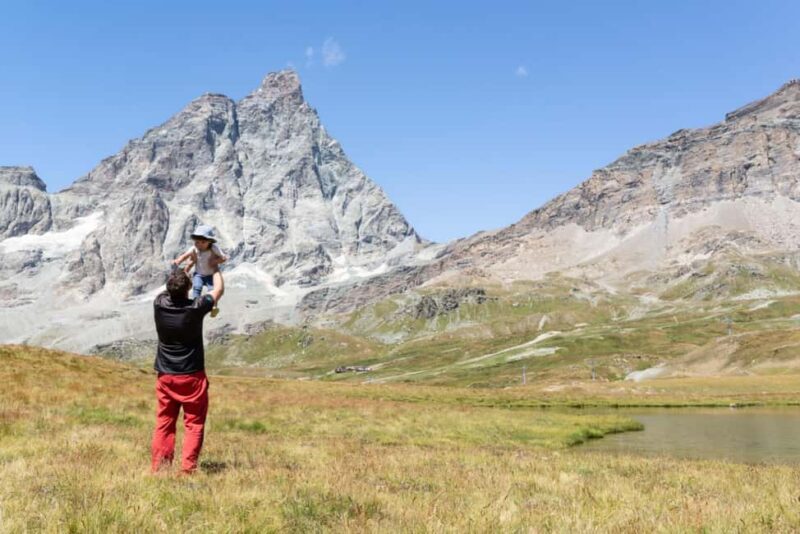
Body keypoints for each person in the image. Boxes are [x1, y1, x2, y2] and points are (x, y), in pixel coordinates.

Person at [150, 266, 224, 474]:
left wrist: (184, 266)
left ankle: (160, 469)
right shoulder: (196, 307)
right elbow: (218, 289)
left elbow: (173, 285)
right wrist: (213, 266)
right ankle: (187, 470)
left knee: (164, 422)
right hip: (192, 376)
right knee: (194, 423)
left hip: (166, 375)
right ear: (189, 288)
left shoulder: (159, 304)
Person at [173, 224, 227, 317]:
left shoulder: (214, 248)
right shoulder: (195, 248)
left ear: (209, 242)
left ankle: (213, 307)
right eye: (197, 242)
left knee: (212, 290)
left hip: (211, 275)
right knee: (197, 288)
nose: (199, 244)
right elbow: (185, 255)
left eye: (203, 242)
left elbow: (224, 258)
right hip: (199, 274)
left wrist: (215, 261)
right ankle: (195, 304)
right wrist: (178, 260)